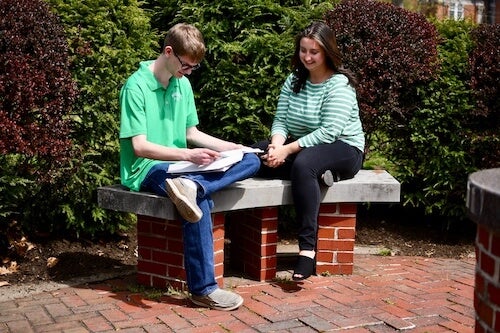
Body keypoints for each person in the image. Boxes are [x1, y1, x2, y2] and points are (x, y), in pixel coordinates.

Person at [119, 23, 260, 310]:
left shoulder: (182, 83)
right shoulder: (135, 87)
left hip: (183, 170)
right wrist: (187, 156)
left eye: (194, 67)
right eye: (186, 65)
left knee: (251, 159)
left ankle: (193, 186)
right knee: (201, 199)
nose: (189, 72)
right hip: (148, 168)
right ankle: (204, 290)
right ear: (169, 52)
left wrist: (230, 147)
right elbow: (140, 147)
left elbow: (192, 133)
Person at [253, 21, 365, 281]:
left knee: (304, 165)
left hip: (345, 148)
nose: (307, 57)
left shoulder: (340, 84)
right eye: (303, 50)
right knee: (255, 152)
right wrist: (277, 146)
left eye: (314, 51)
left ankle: (306, 250)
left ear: (327, 51)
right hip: (305, 147)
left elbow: (329, 132)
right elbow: (280, 120)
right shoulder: (294, 80)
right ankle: (322, 174)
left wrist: (288, 150)